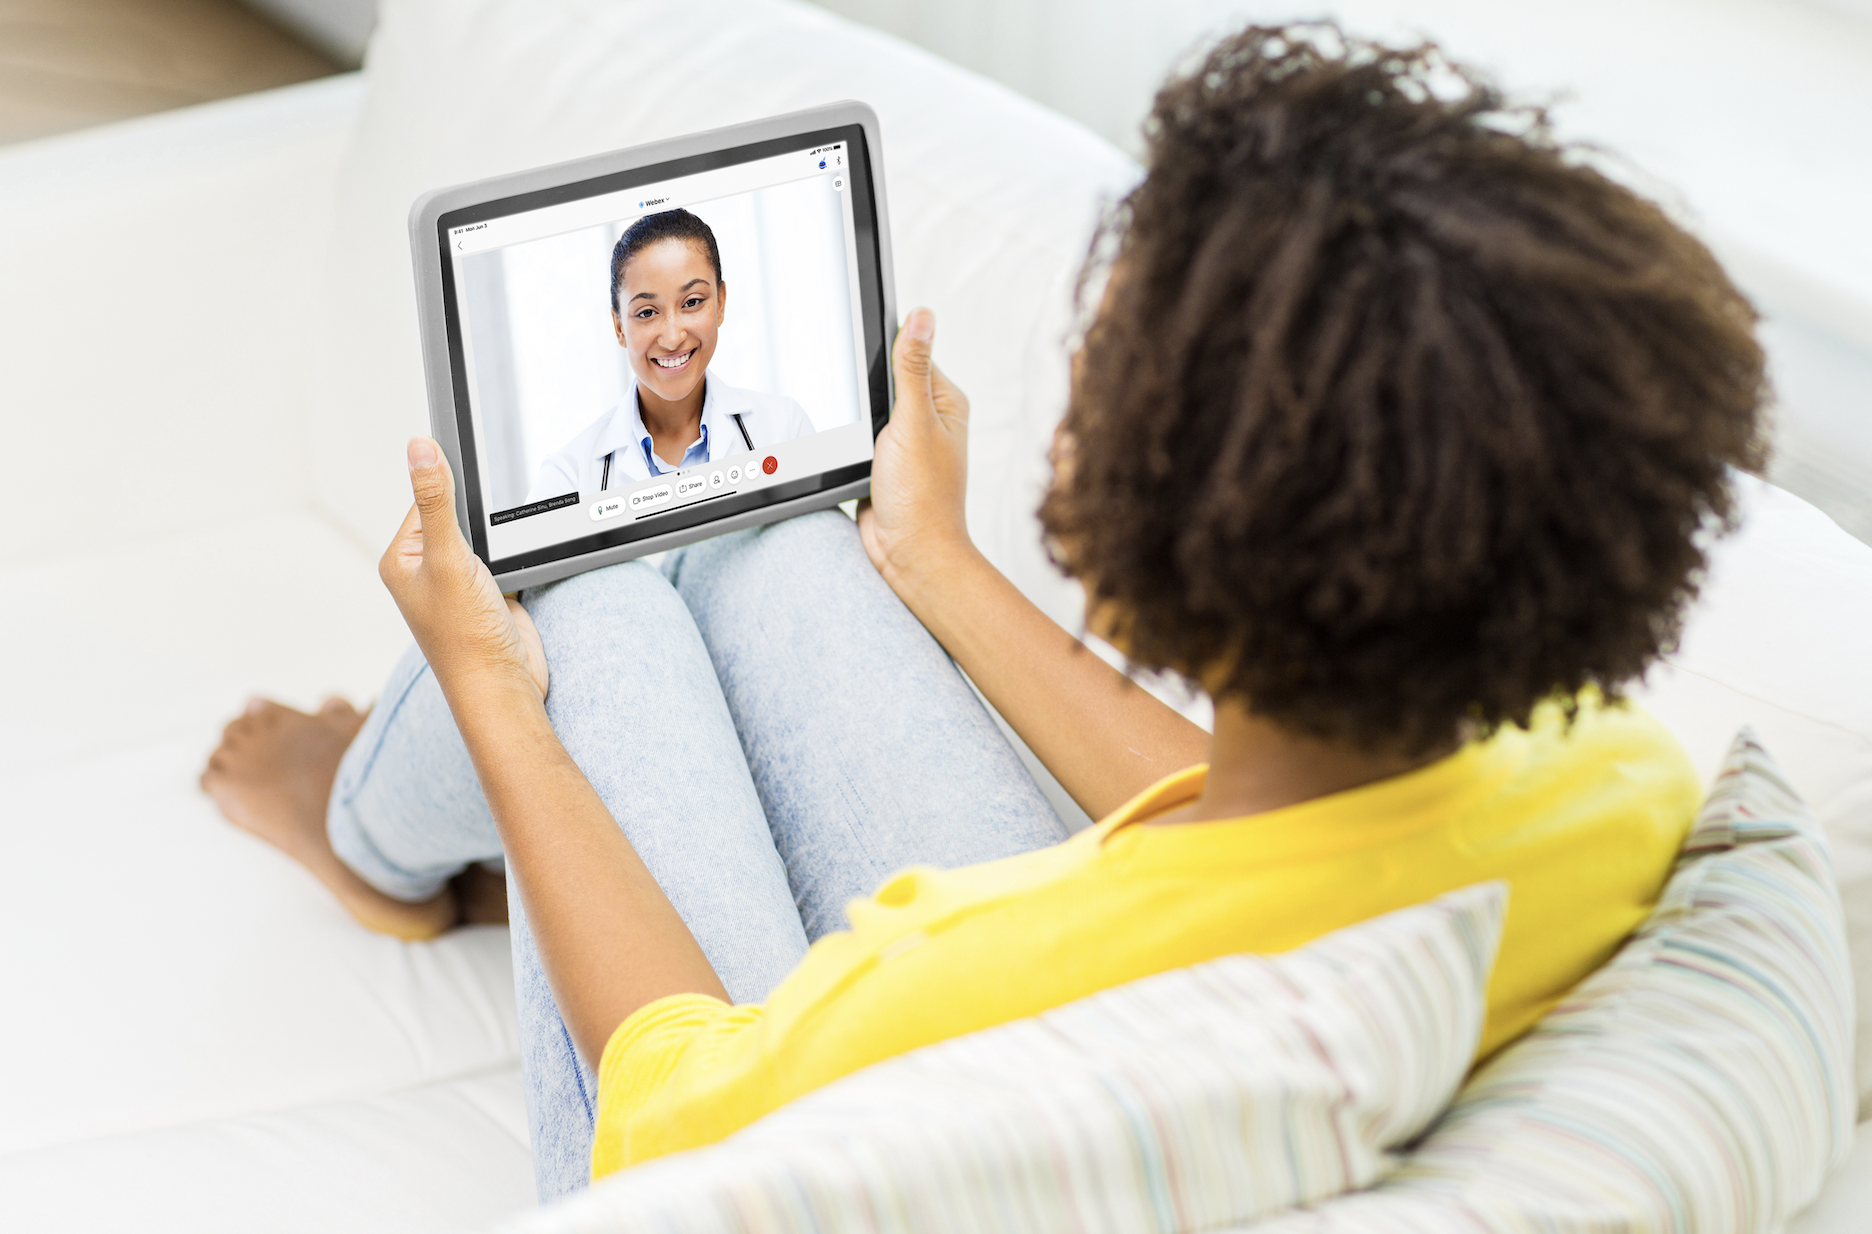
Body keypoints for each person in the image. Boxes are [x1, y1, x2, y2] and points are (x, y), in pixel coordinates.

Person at [200, 24, 1767, 1201]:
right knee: (780, 545)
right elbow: (1265, 803)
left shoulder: (965, 981)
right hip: (1167, 947)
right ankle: (415, 817)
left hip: (762, 1146)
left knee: (592, 603)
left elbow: (674, 1111)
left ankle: (375, 833)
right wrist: (939, 557)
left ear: (1139, 528)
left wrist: (494, 701)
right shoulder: (1612, 775)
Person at [524, 207, 816, 503]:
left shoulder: (785, 429)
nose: (673, 336)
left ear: (720, 303)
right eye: (647, 312)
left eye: (691, 302)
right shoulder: (568, 476)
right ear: (619, 328)